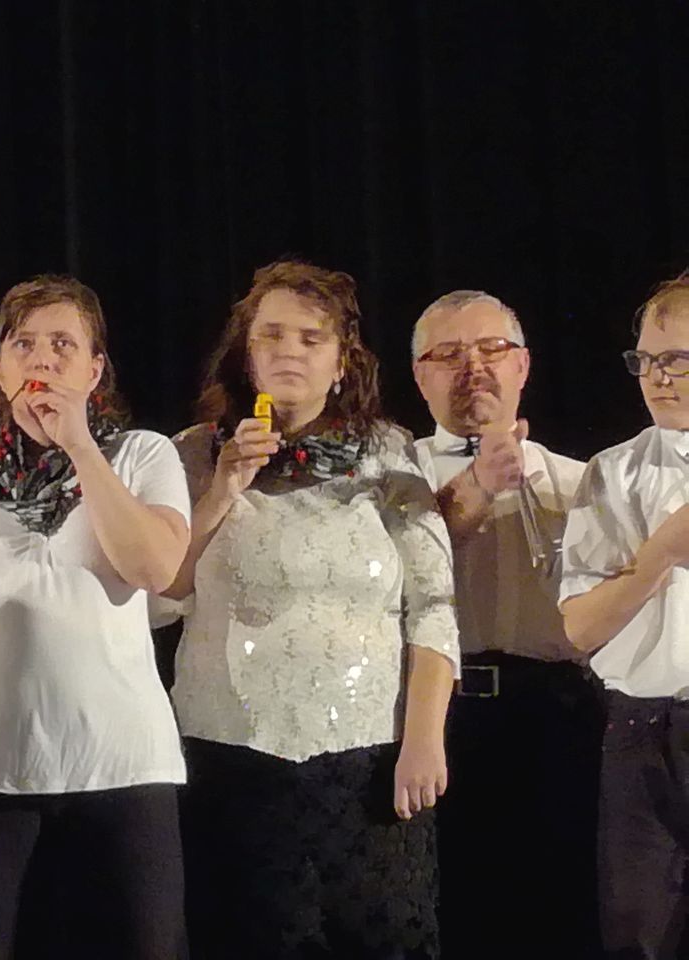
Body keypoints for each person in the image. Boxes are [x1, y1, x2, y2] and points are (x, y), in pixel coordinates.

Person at [165, 260, 459, 959]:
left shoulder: (389, 455)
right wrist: (223, 490)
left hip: (368, 760)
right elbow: (156, 596)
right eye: (271, 335)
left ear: (340, 361)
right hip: (230, 758)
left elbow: (433, 605)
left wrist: (424, 739)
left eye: (311, 337)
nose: (289, 351)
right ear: (246, 354)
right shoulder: (193, 455)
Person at [0, 275, 191, 958]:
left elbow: (154, 569)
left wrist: (82, 447)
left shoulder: (143, 454)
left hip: (122, 766)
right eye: (23, 344)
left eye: (63, 345)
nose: (43, 361)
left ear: (94, 370)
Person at [409, 290, 602, 958]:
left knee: (559, 918)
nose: (474, 367)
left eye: (492, 348)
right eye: (449, 354)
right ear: (420, 377)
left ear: (523, 365)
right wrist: (476, 485)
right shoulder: (394, 475)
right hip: (432, 721)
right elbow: (396, 567)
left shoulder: (584, 482)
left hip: (557, 720)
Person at [559, 270, 689, 960]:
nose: (658, 377)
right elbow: (581, 627)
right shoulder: (614, 472)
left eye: (679, 359)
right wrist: (660, 553)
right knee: (640, 935)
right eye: (646, 359)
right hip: (644, 730)